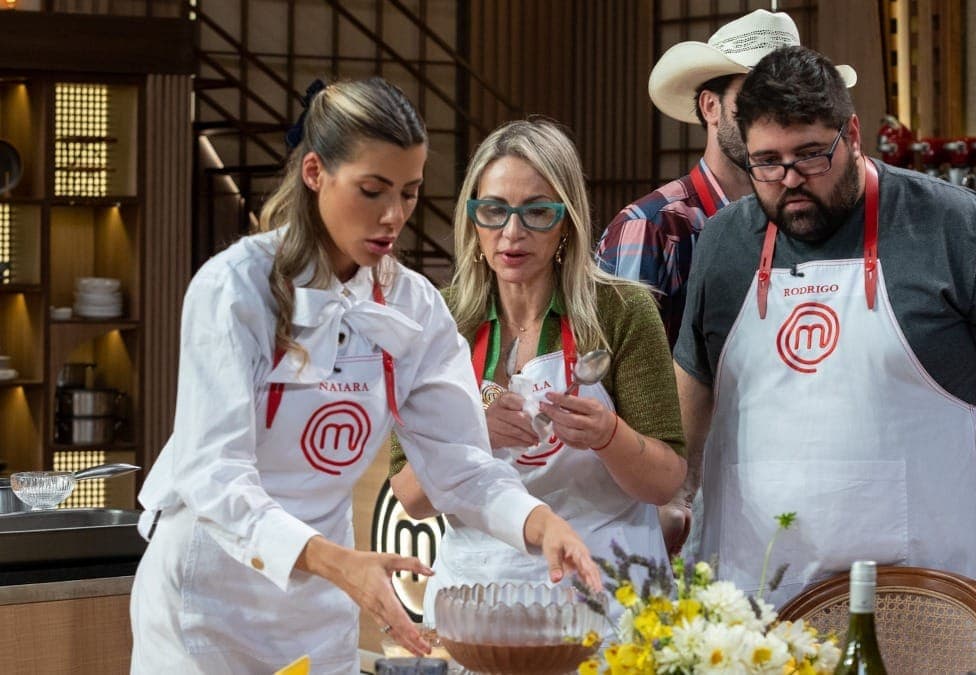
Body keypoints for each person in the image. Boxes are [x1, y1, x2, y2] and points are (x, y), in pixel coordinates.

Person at [128, 79, 600, 674]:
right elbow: (213, 473)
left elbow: (459, 462)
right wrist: (336, 560)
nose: (393, 216)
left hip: (320, 604)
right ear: (314, 173)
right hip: (209, 600)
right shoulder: (234, 288)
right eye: (372, 190)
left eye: (408, 193)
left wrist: (540, 523)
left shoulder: (414, 305)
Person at [671, 45, 976, 643]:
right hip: (753, 602)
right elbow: (694, 392)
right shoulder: (722, 243)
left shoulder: (955, 227)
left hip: (929, 598)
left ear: (852, 133)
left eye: (810, 156)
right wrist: (674, 500)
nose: (789, 180)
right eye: (767, 163)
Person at [390, 119, 686, 624]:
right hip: (479, 594)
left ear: (567, 219)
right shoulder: (439, 322)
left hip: (609, 589)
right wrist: (470, 433)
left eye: (537, 212)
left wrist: (608, 434)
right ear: (472, 219)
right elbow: (412, 499)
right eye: (494, 210)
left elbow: (665, 483)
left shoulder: (622, 311)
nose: (512, 232)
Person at [596, 9, 855, 553]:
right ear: (709, 107)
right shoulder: (653, 228)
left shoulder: (810, 224)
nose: (774, 110)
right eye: (755, 95)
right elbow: (614, 388)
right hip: (675, 501)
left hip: (786, 492)